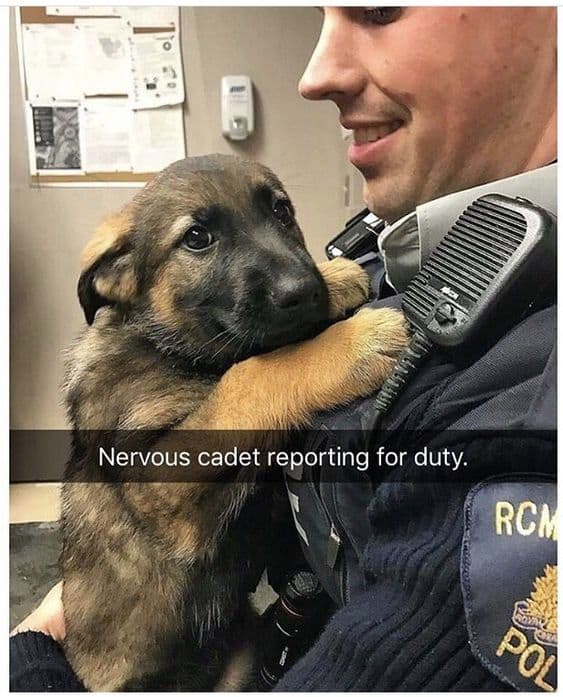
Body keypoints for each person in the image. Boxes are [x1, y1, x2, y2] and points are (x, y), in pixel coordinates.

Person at [10, 7, 556, 692]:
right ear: (117, 281)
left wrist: (29, 650)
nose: (315, 72)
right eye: (198, 239)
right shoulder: (406, 239)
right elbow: (170, 498)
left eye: (377, 8)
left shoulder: (522, 423)